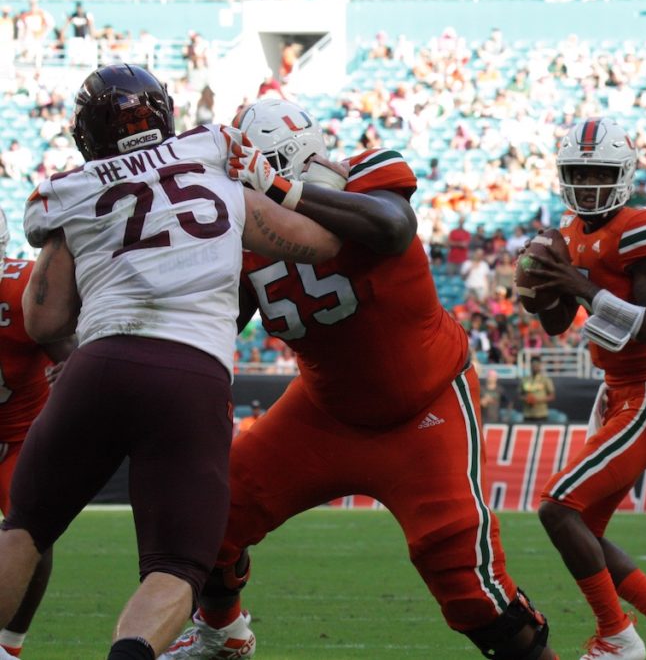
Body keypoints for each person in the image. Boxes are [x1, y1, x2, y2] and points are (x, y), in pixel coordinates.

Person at [161, 98, 555, 660]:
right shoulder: (246, 238)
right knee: (208, 517)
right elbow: (219, 321)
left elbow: (393, 228)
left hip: (424, 410)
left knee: (471, 594)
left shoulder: (369, 177)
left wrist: (280, 191)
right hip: (323, 416)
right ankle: (222, 634)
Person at [0, 64, 340, 660]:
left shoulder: (71, 191)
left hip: (98, 365)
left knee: (25, 528)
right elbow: (321, 242)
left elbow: (45, 323)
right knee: (176, 568)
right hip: (189, 375)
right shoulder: (215, 158)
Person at [525, 117, 646, 660]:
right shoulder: (567, 232)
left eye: (598, 174)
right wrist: (540, 290)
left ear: (624, 173)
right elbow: (556, 323)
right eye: (578, 175)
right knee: (580, 526)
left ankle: (616, 634)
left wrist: (577, 284)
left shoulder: (643, 225)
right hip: (618, 393)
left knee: (557, 507)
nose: (587, 186)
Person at [0, 211, 75, 658]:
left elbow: (73, 354)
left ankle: (9, 646)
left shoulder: (19, 289)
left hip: (20, 436)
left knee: (29, 534)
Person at [520, 356, 555, 423]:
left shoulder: (545, 380)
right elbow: (519, 395)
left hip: (541, 414)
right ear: (530, 366)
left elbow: (552, 396)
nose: (535, 367)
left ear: (540, 366)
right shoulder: (524, 379)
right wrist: (526, 399)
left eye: (537, 365)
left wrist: (537, 400)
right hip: (527, 414)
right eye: (533, 365)